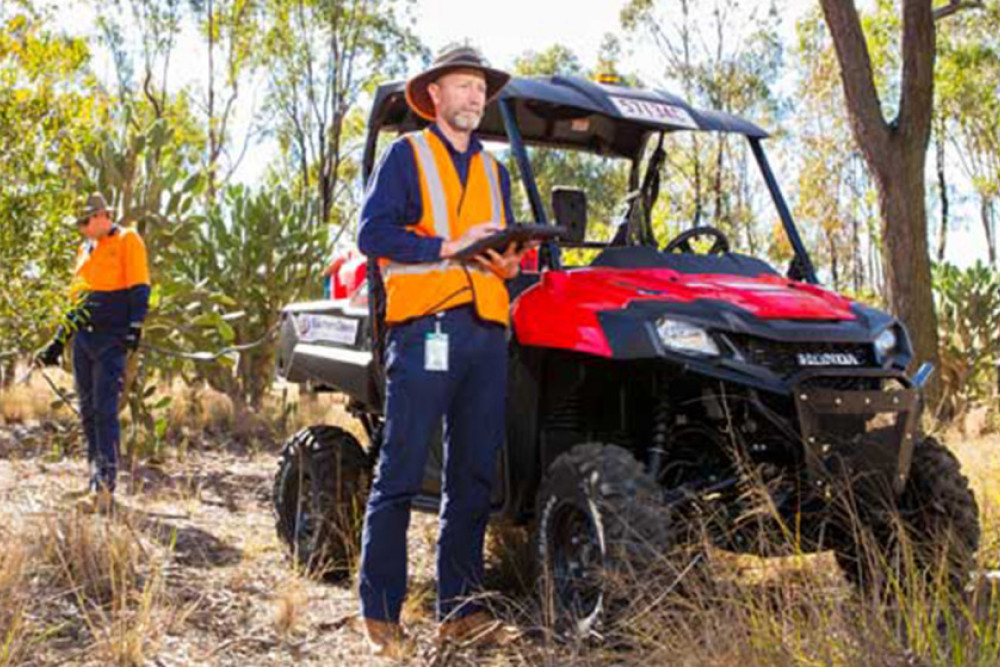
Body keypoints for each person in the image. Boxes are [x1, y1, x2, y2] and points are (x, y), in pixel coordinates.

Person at [356, 44, 528, 656]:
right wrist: (451, 246)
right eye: (462, 86)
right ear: (434, 96)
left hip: (486, 334)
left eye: (480, 87)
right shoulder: (408, 156)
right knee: (401, 470)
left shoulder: (494, 170)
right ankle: (380, 615)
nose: (475, 96)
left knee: (474, 478)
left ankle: (460, 611)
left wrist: (508, 262)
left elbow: (497, 255)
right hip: (425, 330)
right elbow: (372, 235)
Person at [36, 193, 150, 515]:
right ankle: (93, 484)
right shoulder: (85, 249)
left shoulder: (128, 240)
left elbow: (140, 286)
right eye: (80, 223)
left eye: (86, 221)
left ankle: (104, 490)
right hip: (83, 342)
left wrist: (134, 327)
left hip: (111, 339)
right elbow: (78, 300)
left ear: (102, 215)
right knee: (88, 413)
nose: (82, 228)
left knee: (104, 411)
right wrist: (58, 341)